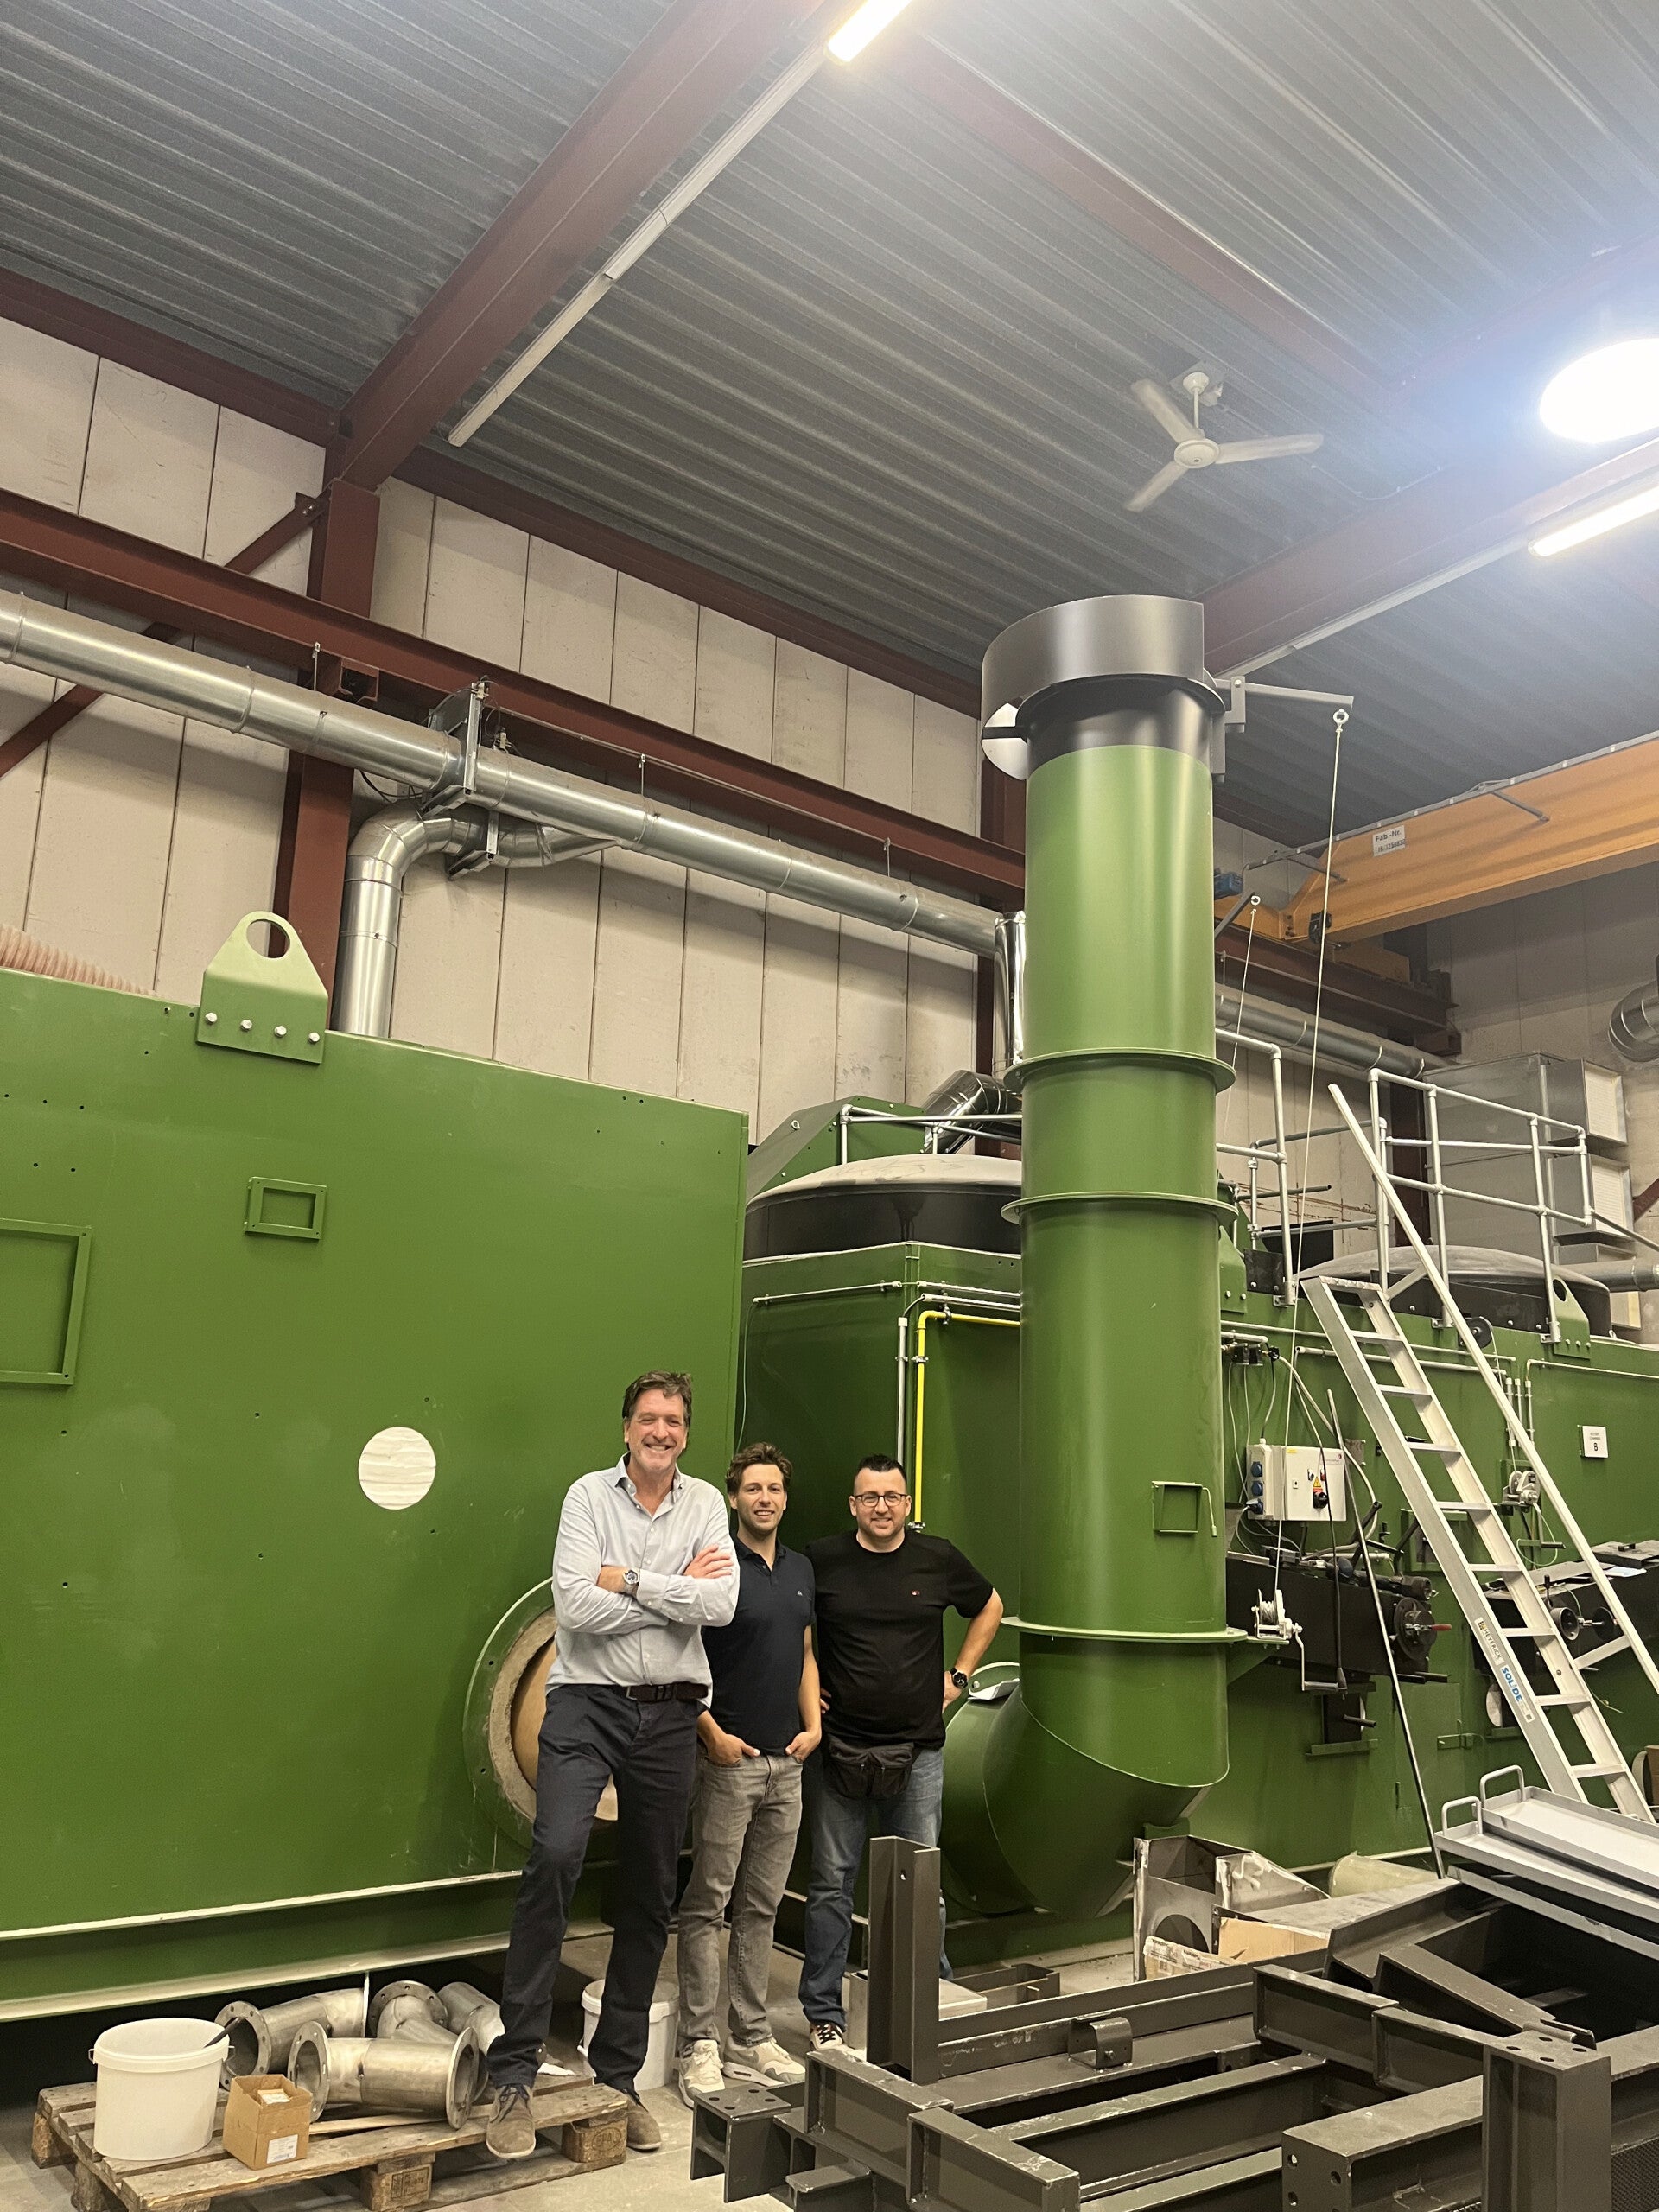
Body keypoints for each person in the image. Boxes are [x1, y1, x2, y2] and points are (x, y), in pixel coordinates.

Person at [486, 1371, 737, 2162]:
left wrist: (626, 1579)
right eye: (648, 1418)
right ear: (626, 1427)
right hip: (586, 1704)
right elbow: (574, 1605)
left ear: (686, 1433)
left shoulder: (706, 1504)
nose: (661, 1431)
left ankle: (617, 2079)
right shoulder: (588, 1497)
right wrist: (674, 1592)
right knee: (556, 1854)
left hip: (672, 1713)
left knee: (651, 1886)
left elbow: (722, 1605)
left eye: (674, 1420)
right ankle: (514, 2075)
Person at [799, 1455, 1002, 2049]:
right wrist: (805, 1690)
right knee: (831, 1884)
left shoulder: (936, 1558)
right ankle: (824, 2013)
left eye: (892, 1496)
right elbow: (792, 1626)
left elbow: (989, 1605)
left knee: (920, 1883)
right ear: (853, 1506)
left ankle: (927, 2002)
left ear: (908, 1505)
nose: (881, 1507)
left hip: (917, 1752)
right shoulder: (822, 1560)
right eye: (870, 1497)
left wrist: (959, 1675)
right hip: (838, 1750)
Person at [676, 1444, 820, 2106]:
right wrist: (711, 1734)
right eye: (752, 1488)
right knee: (707, 1906)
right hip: (729, 1765)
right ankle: (698, 2045)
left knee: (761, 1907)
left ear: (786, 1498)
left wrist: (812, 1727)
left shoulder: (800, 1569)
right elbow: (678, 1652)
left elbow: (805, 1651)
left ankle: (751, 2037)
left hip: (786, 1767)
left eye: (774, 1488)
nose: (765, 1498)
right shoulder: (713, 1566)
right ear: (733, 1498)